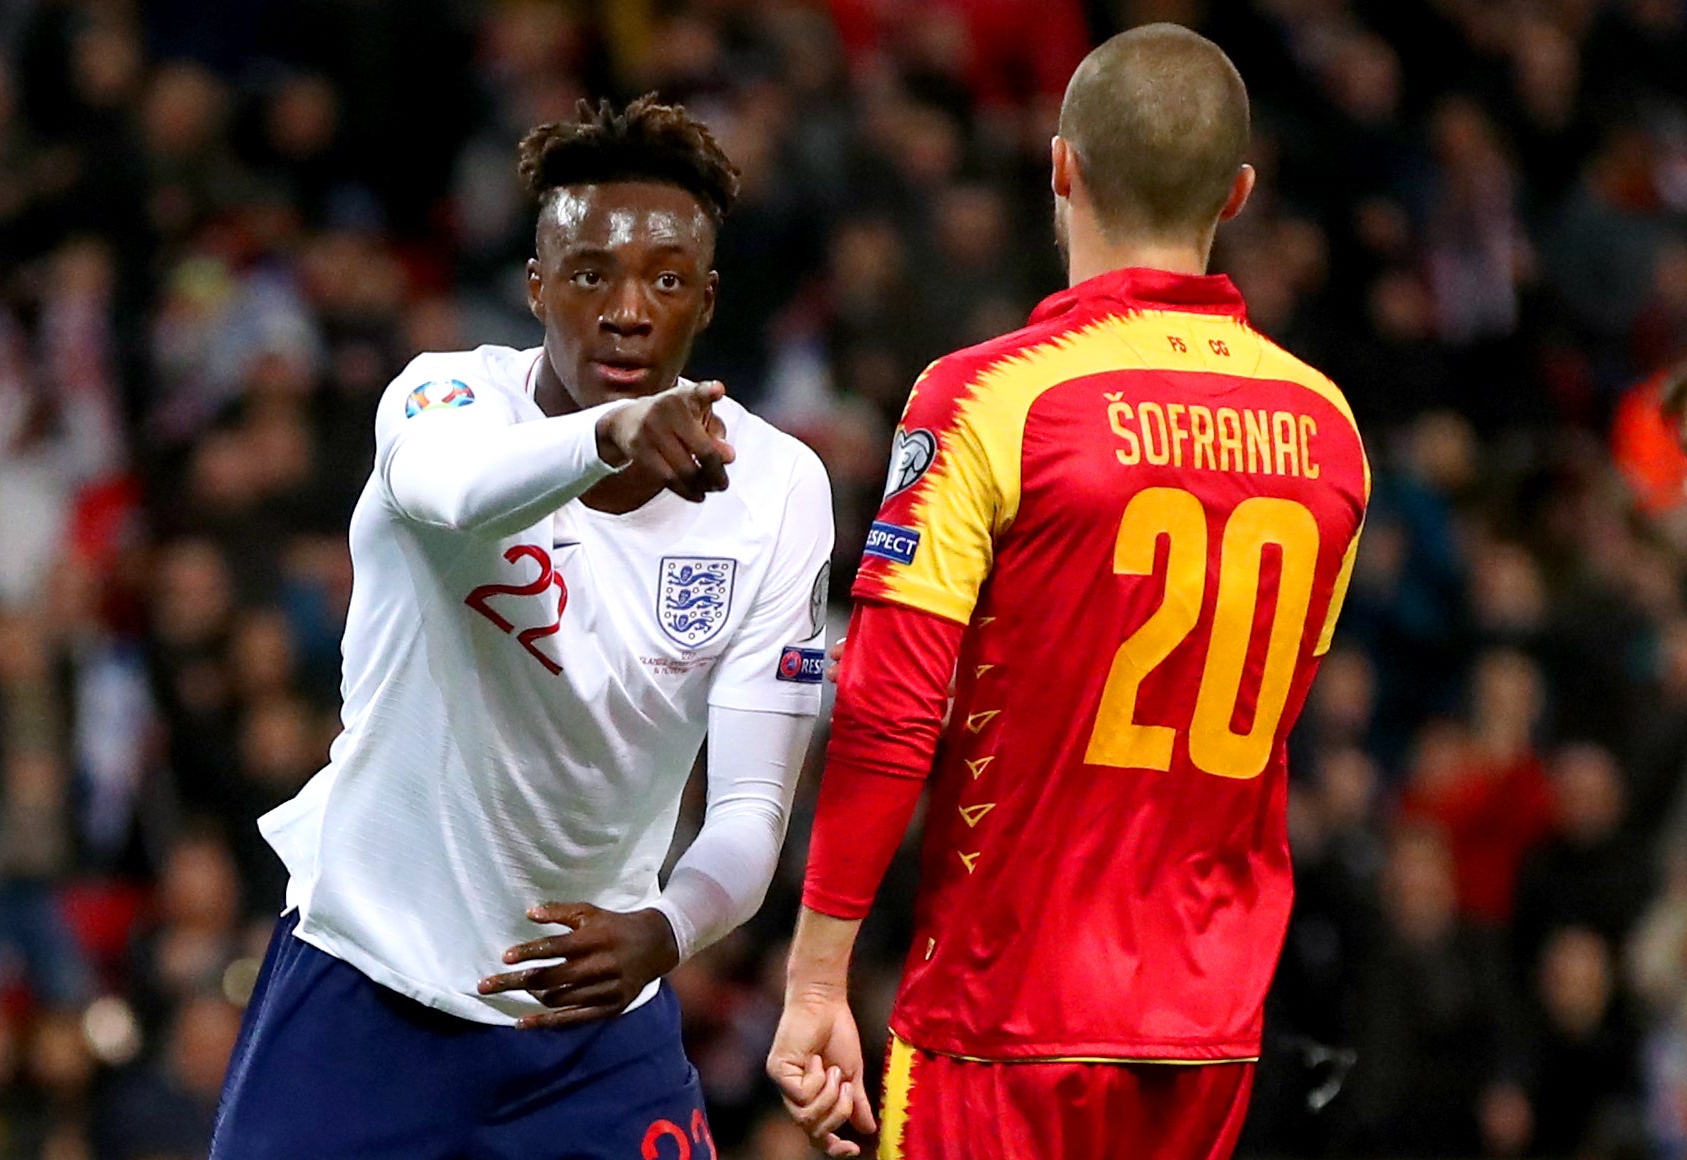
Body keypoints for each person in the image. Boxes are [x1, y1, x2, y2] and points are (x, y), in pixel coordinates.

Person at [767, 24, 1368, 1160]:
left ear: (1059, 166)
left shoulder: (988, 397)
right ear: (1235, 193)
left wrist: (814, 977)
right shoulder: (1328, 429)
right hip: (1208, 1026)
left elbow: (890, 707)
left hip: (1008, 1014)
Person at [211, 97, 834, 1159]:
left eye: (665, 279)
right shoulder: (443, 398)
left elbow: (749, 804)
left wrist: (668, 929)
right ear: (537, 285)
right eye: (590, 272)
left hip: (592, 1030)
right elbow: (448, 489)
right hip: (369, 994)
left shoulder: (778, 487)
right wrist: (611, 433)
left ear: (707, 301)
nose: (627, 309)